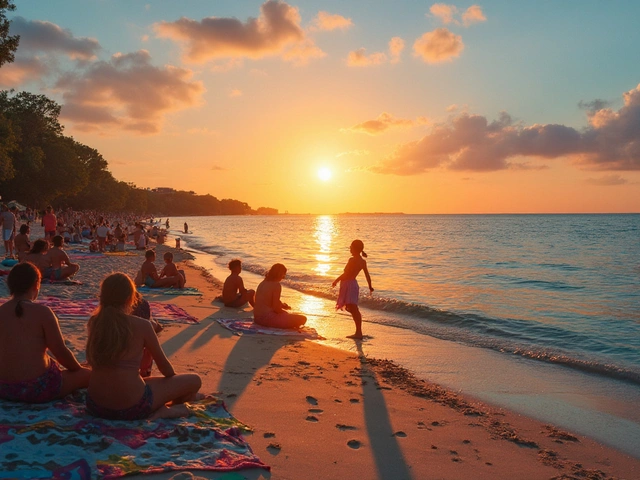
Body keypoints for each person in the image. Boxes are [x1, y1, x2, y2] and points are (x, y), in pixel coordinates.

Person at [85, 273, 201, 420]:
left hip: (96, 406)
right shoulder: (142, 325)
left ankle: (164, 403)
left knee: (143, 382)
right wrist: (172, 388)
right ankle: (164, 410)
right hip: (132, 407)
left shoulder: (95, 323)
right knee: (194, 380)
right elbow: (166, 369)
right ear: (130, 299)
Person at [0, 263, 91, 403]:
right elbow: (60, 352)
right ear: (36, 285)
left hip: (4, 387)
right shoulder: (42, 313)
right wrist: (78, 369)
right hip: (36, 388)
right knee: (88, 375)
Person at [332, 240, 374, 340]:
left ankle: (359, 332)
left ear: (355, 249)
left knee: (353, 309)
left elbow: (346, 274)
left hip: (348, 285)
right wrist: (370, 286)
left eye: (351, 247)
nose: (350, 249)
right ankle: (358, 331)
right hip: (353, 285)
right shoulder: (362, 262)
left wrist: (336, 280)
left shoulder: (352, 260)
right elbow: (367, 275)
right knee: (350, 308)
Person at [253, 263, 306, 329]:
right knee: (302, 319)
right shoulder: (276, 285)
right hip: (266, 319)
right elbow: (275, 308)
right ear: (280, 274)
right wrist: (283, 313)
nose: (283, 277)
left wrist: (282, 305)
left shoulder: (263, 282)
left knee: (286, 315)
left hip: (257, 318)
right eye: (284, 274)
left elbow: (267, 301)